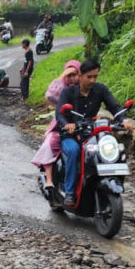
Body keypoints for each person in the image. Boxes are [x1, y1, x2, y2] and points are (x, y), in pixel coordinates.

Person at [56, 59, 133, 206]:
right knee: (73, 151)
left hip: (91, 132)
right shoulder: (68, 92)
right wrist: (67, 124)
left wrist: (123, 120)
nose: (92, 80)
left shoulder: (100, 89)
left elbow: (114, 107)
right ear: (80, 75)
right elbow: (59, 114)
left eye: (95, 76)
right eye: (89, 76)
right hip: (71, 134)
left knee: (109, 150)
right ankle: (70, 192)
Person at [31, 60, 81, 190]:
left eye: (74, 75)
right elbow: (50, 95)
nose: (71, 78)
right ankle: (49, 179)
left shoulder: (85, 89)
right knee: (50, 143)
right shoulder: (63, 90)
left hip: (82, 125)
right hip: (62, 126)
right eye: (68, 75)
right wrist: (62, 78)